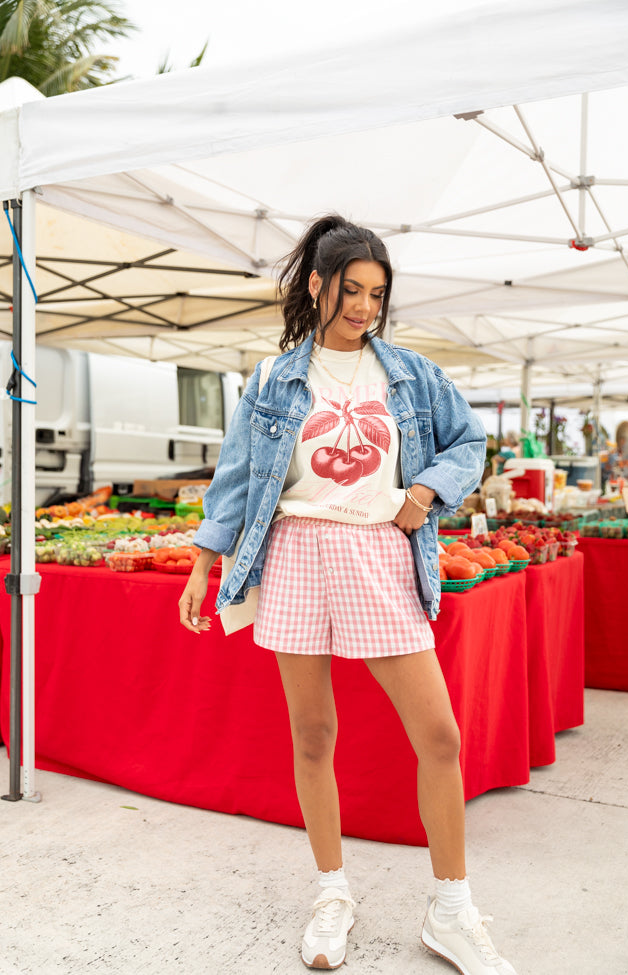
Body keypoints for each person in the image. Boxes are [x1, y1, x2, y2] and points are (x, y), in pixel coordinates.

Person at [179, 214, 518, 974]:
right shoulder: (271, 379)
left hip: (379, 554)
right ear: (317, 284)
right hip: (296, 553)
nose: (364, 305)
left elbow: (469, 442)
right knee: (312, 735)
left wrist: (427, 491)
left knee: (440, 737)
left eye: (377, 292)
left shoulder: (413, 375)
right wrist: (206, 561)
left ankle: (453, 910)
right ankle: (332, 892)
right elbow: (236, 478)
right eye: (351, 289)